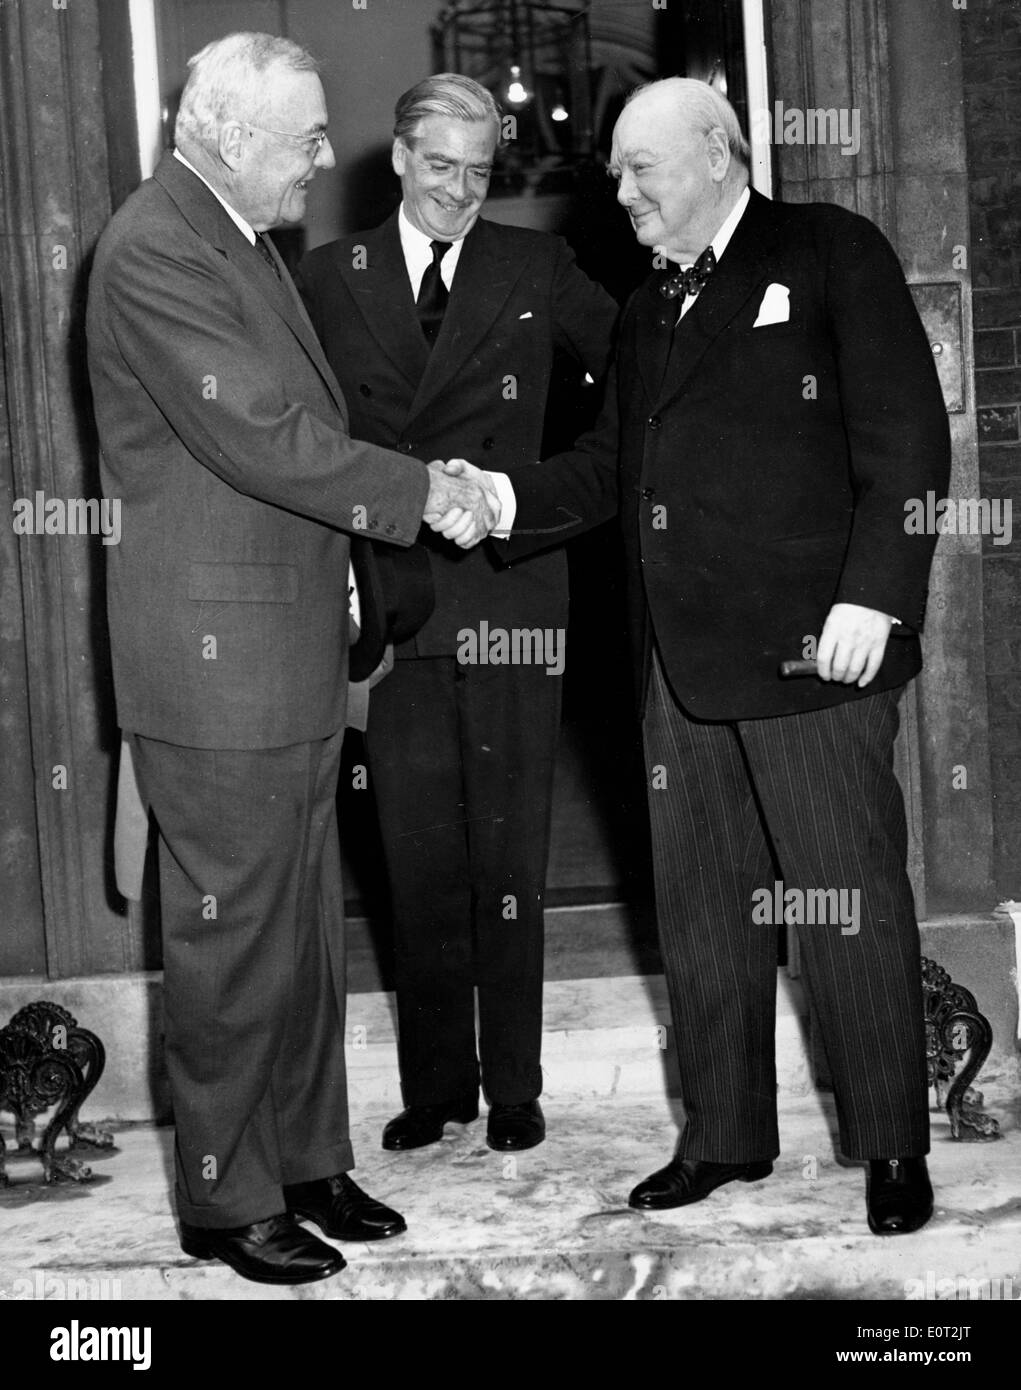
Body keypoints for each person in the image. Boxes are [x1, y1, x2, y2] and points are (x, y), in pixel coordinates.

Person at [465, 76, 951, 1233]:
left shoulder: (829, 250)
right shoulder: (644, 309)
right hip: (672, 671)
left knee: (846, 907)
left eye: (642, 169)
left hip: (810, 658)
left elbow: (908, 436)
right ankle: (725, 1136)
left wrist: (875, 599)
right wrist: (495, 494)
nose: (620, 192)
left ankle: (889, 1145)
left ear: (721, 155)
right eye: (616, 173)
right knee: (700, 918)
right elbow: (600, 471)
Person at [86, 32, 494, 1286]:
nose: (327, 161)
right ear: (223, 131)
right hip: (216, 670)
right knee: (232, 944)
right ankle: (224, 1199)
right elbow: (263, 439)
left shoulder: (238, 239)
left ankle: (308, 1161)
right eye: (308, 138)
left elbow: (304, 425)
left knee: (305, 936)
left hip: (288, 653)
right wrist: (426, 491)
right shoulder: (154, 246)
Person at [295, 75, 618, 1155]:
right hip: (390, 599)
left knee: (511, 848)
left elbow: (640, 373)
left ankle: (517, 1081)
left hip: (513, 591)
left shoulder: (537, 267)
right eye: (439, 168)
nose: (459, 193)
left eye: (481, 174)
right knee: (413, 847)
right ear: (395, 156)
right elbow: (293, 439)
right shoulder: (325, 280)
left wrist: (550, 492)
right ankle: (437, 1082)